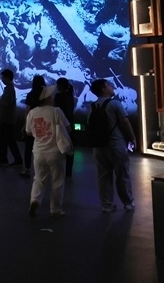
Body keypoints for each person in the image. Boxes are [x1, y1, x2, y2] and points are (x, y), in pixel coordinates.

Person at [88, 79, 137, 212]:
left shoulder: (92, 106)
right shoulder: (115, 103)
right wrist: (132, 138)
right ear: (104, 89)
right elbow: (125, 122)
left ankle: (107, 205)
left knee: (103, 176)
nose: (112, 87)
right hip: (116, 144)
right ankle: (128, 202)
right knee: (122, 175)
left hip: (98, 147)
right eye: (109, 85)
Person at [25, 84, 71, 218]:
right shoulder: (56, 111)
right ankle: (55, 209)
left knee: (39, 179)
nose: (52, 97)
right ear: (45, 98)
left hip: (38, 151)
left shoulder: (32, 112)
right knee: (57, 181)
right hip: (55, 151)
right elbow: (68, 128)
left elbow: (28, 132)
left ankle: (34, 200)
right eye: (50, 95)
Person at [0, 69, 23, 167]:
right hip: (6, 119)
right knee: (4, 140)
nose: (2, 79)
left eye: (3, 77)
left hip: (7, 119)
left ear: (7, 78)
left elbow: (6, 102)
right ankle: (4, 159)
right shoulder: (8, 88)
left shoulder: (10, 89)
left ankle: (16, 160)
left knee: (9, 140)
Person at [20, 75, 45, 177]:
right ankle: (42, 170)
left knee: (28, 147)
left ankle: (27, 169)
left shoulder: (30, 95)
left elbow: (27, 111)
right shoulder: (46, 96)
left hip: (32, 123)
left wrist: (25, 125)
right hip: (43, 124)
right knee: (42, 147)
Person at [54, 77, 76, 177]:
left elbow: (55, 110)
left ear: (61, 86)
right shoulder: (71, 96)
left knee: (57, 148)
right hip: (70, 123)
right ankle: (68, 172)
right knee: (70, 149)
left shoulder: (58, 96)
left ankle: (58, 170)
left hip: (60, 124)